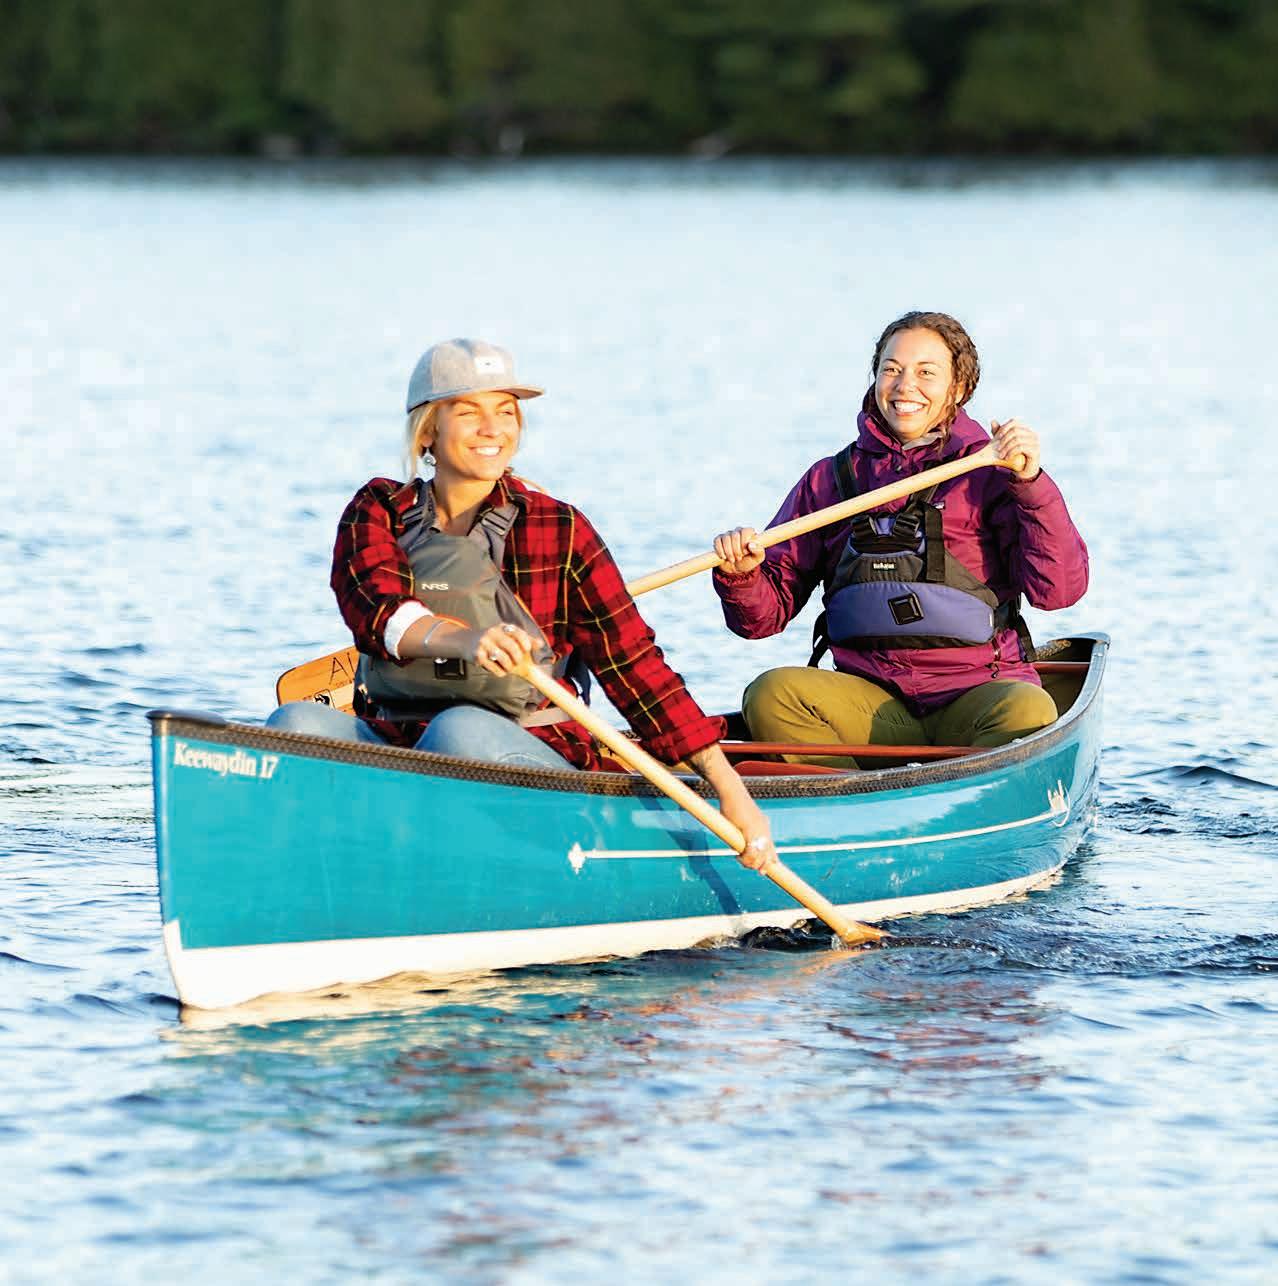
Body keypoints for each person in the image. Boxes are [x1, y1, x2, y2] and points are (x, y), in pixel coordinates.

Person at [268, 338, 775, 868]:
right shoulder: (379, 510)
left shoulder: (559, 527)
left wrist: (729, 789)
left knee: (458, 728)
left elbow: (635, 666)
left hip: (529, 748)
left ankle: (462, 864)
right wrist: (468, 641)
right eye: (469, 412)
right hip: (397, 735)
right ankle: (318, 865)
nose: (493, 429)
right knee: (296, 725)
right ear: (427, 431)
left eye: (506, 412)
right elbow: (379, 612)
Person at [711, 310, 1088, 767]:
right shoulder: (830, 480)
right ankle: (842, 795)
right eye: (891, 369)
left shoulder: (992, 474)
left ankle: (965, 786)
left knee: (1029, 708)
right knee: (771, 693)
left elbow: (1059, 592)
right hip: (871, 706)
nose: (905, 386)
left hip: (977, 696)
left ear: (959, 388)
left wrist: (1031, 484)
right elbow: (761, 621)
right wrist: (741, 577)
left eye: (926, 373)